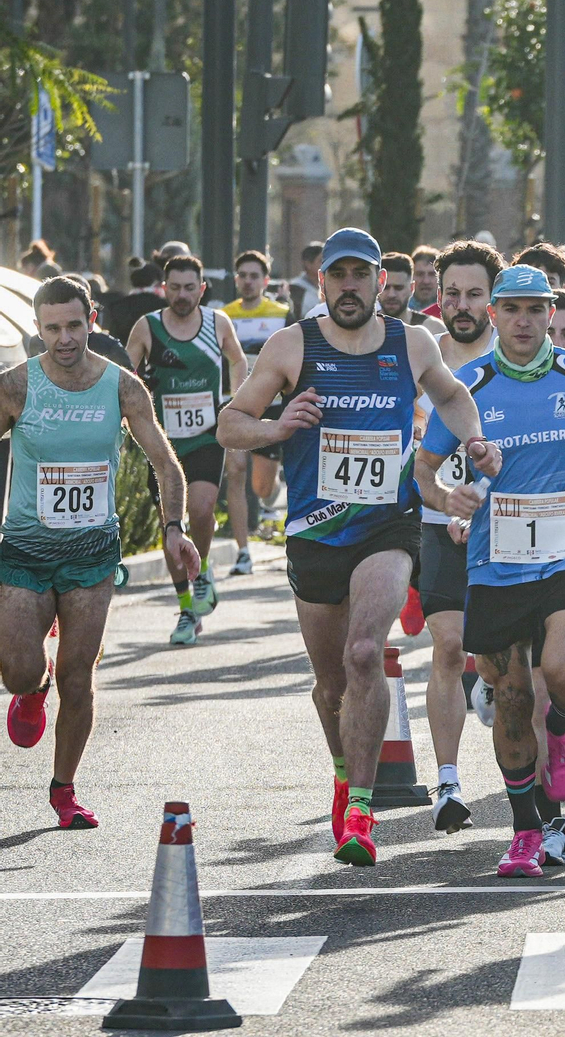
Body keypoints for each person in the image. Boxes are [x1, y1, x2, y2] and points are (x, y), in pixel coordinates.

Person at [219, 227, 500, 867]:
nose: (350, 288)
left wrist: (475, 440)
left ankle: (363, 809)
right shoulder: (294, 345)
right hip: (315, 533)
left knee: (367, 651)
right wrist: (278, 425)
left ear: (381, 282)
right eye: (338, 276)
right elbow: (231, 425)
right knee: (329, 685)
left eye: (361, 276)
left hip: (386, 525)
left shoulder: (410, 342)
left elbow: (452, 395)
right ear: (322, 282)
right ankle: (345, 772)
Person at [413, 265, 565, 877]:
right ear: (495, 316)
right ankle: (525, 832)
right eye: (511, 309)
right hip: (495, 562)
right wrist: (446, 499)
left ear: (550, 316)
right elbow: (424, 470)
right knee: (510, 698)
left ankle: (562, 726)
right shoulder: (466, 387)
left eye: (535, 310)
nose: (523, 320)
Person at [1, 276, 201, 830]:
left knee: (78, 677)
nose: (64, 339)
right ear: (37, 331)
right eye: (51, 329)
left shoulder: (122, 387)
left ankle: (64, 791)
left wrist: (174, 528)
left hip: (92, 553)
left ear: (91, 319)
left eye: (73, 325)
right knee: (18, 671)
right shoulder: (16, 387)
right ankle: (31, 691)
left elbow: (164, 462)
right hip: (25, 548)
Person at [410, 240, 502, 836]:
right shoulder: (418, 354)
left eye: (474, 295)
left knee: (500, 658)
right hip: (436, 519)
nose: (461, 305)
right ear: (437, 295)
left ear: (493, 300)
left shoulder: (516, 352)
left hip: (513, 527)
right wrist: (445, 501)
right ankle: (447, 783)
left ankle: (492, 683)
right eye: (452, 294)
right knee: (448, 645)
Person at [125, 254, 249, 644]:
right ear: (164, 288)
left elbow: (239, 360)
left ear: (202, 288)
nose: (182, 295)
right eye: (174, 287)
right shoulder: (148, 327)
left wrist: (236, 402)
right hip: (162, 443)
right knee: (171, 525)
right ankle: (185, 610)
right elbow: (125, 377)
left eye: (189, 287)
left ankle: (204, 572)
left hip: (207, 435)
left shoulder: (217, 323)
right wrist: (137, 387)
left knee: (201, 508)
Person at [221, 250, 292, 570]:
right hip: (234, 403)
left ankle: (271, 497)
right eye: (242, 276)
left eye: (254, 276)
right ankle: (243, 551)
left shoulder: (281, 313)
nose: (247, 282)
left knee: (261, 486)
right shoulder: (224, 314)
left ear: (265, 281)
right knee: (235, 470)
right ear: (236, 280)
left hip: (272, 408)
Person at [379, 253, 447, 335]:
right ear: (377, 287)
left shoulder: (433, 329)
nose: (391, 294)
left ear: (412, 288)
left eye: (398, 288)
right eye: (386, 288)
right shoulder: (363, 328)